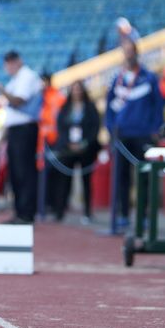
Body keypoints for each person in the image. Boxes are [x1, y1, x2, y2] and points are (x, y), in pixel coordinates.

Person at [105, 37, 165, 233]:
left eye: (131, 50)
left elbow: (158, 105)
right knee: (122, 177)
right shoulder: (118, 79)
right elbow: (109, 109)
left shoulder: (149, 78)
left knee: (145, 176)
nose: (128, 54)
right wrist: (110, 129)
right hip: (122, 135)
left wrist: (156, 128)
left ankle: (145, 215)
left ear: (136, 52)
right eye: (125, 51)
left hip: (143, 134)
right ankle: (123, 215)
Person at [0, 50, 45, 224]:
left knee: (24, 172)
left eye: (11, 62)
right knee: (16, 173)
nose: (9, 66)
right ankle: (20, 212)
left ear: (18, 61)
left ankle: (26, 214)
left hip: (25, 129)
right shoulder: (17, 79)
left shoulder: (27, 76)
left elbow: (18, 101)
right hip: (16, 130)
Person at [47, 80, 101, 224]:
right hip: (68, 149)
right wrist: (68, 143)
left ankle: (88, 212)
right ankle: (60, 211)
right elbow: (60, 127)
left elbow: (95, 127)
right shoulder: (65, 108)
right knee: (64, 181)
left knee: (86, 181)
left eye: (79, 89)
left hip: (86, 150)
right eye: (74, 89)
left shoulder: (90, 107)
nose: (77, 92)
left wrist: (85, 143)